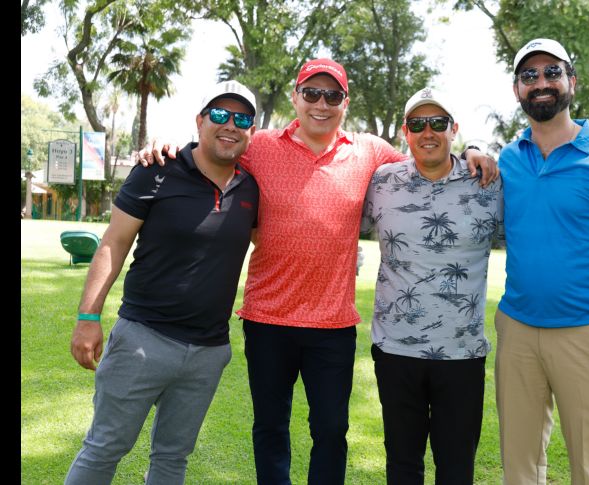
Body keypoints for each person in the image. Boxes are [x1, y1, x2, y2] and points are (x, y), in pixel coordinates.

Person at [137, 58, 498, 485]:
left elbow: (427, 152)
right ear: (295, 97)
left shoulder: (369, 153)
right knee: (270, 426)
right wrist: (164, 145)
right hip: (267, 317)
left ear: (345, 103)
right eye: (311, 93)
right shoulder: (260, 146)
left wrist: (473, 148)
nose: (321, 104)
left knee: (331, 431)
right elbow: (216, 146)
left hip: (333, 323)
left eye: (332, 95)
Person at [65, 80, 259, 485]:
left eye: (242, 118)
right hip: (142, 341)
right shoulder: (155, 170)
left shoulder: (252, 187)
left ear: (251, 131)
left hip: (208, 352)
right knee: (104, 448)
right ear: (200, 121)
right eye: (220, 115)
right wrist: (88, 316)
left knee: (173, 458)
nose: (230, 125)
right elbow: (113, 243)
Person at [495, 38, 589, 485]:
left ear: (571, 82)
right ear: (517, 90)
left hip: (588, 335)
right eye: (529, 76)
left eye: (551, 73)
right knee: (518, 466)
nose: (540, 83)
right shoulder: (508, 159)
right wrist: (472, 153)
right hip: (517, 329)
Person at [361, 87, 503, 484]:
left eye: (438, 123)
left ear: (454, 129)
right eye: (417, 124)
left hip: (462, 354)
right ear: (405, 132)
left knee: (456, 468)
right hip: (395, 350)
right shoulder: (382, 183)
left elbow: (527, 240)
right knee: (402, 466)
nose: (428, 132)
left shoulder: (488, 183)